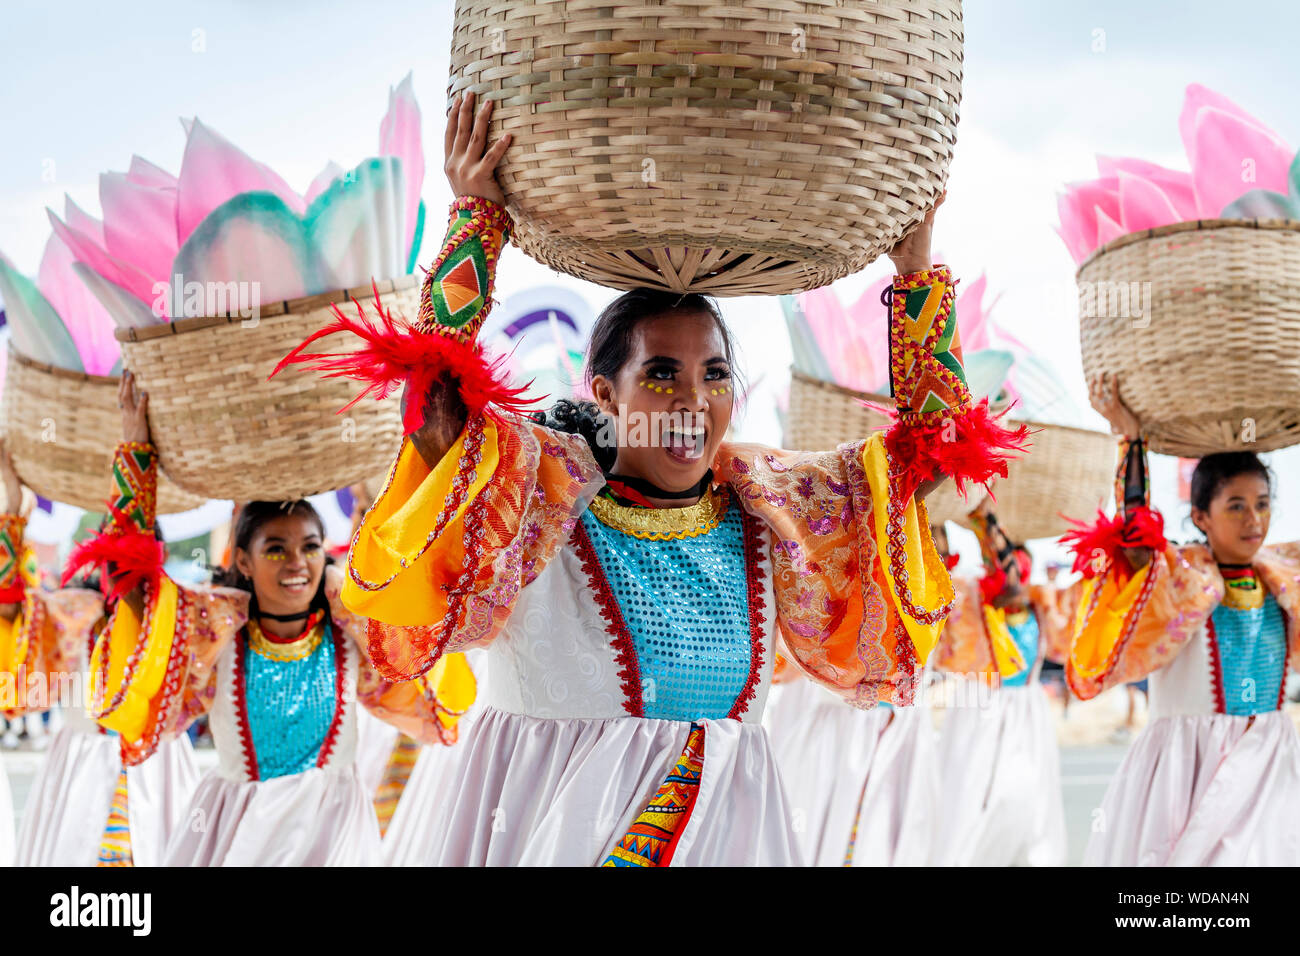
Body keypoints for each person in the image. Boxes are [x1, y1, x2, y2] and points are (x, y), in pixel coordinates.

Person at [278, 91, 1027, 866]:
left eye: (714, 374)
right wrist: (477, 219)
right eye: (661, 373)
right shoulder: (536, 500)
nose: (692, 401)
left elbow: (934, 462)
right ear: (604, 394)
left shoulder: (776, 507)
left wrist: (915, 270)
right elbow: (435, 405)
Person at [71, 374, 475, 865]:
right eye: (275, 549)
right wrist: (135, 454)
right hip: (240, 836)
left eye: (309, 547)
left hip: (335, 840)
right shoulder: (214, 632)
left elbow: (419, 582)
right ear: (243, 560)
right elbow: (134, 586)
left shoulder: (353, 630)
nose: (296, 563)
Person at [1062, 372, 1300, 865]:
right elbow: (1134, 534)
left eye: (1261, 504)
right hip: (1185, 769)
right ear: (1201, 516)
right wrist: (1132, 440)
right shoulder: (1177, 579)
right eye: (1235, 506)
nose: (1253, 520)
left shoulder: (1286, 578)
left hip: (1271, 762)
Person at [0, 442, 198, 867]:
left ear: (154, 561)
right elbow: (9, 605)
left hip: (158, 770)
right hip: (80, 768)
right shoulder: (73, 612)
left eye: (133, 554)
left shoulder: (181, 616)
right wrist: (12, 513)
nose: (120, 566)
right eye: (112, 554)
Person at [929, 505, 1068, 866]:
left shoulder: (1042, 606)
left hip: (1028, 717)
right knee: (972, 800)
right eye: (1004, 566)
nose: (1014, 580)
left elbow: (1069, 642)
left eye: (1019, 569)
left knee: (1026, 801)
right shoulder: (970, 601)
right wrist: (984, 525)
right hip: (979, 712)